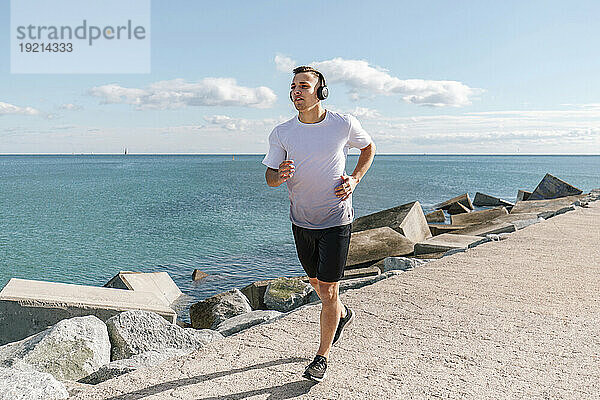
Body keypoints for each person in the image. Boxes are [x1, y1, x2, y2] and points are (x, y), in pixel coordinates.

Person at [262, 66, 376, 382]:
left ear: (320, 90)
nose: (296, 92)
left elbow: (368, 148)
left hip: (337, 219)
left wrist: (355, 178)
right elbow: (269, 178)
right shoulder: (282, 132)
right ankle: (341, 313)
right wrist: (279, 175)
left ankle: (321, 357)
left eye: (304, 86)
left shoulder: (342, 124)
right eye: (293, 87)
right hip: (301, 221)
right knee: (317, 284)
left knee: (327, 289)